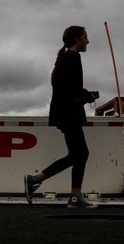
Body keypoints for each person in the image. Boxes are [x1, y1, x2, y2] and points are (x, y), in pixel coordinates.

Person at [24, 26, 98, 209]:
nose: (87, 41)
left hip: (65, 114)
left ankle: (38, 180)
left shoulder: (66, 58)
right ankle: (71, 196)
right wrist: (86, 96)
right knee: (80, 154)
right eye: (85, 37)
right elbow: (68, 90)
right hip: (69, 114)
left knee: (78, 154)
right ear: (76, 39)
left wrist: (84, 95)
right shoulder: (72, 58)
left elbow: (65, 87)